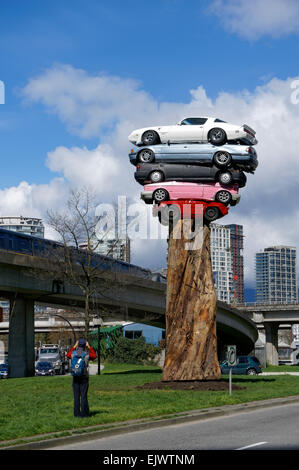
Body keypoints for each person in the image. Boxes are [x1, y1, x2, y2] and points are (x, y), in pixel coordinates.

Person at [67, 338, 97, 418]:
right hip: (84, 377)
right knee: (83, 396)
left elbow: (67, 355)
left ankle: (76, 414)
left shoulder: (73, 354)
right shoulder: (86, 354)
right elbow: (94, 356)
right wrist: (89, 347)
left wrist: (74, 346)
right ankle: (84, 414)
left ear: (78, 345)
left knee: (76, 396)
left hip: (75, 377)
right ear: (84, 346)